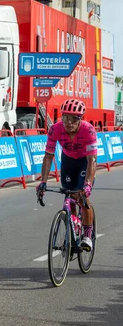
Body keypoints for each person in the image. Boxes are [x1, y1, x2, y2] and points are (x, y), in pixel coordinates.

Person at [37, 99, 97, 250]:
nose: (68, 122)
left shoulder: (88, 130)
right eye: (65, 118)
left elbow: (92, 161)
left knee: (82, 197)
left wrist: (88, 184)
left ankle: (88, 235)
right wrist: (43, 181)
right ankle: (72, 229)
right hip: (68, 160)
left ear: (80, 120)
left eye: (73, 119)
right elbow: (48, 156)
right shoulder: (55, 129)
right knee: (69, 196)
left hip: (84, 161)